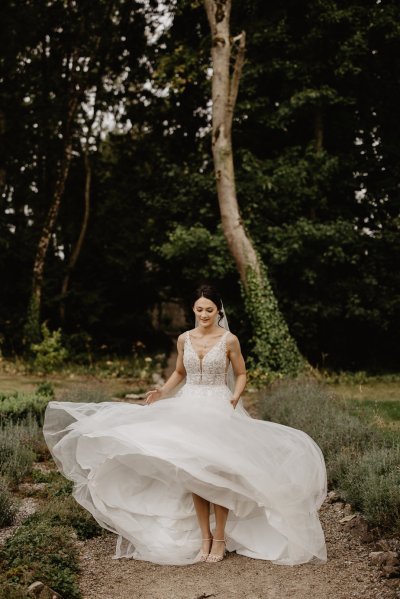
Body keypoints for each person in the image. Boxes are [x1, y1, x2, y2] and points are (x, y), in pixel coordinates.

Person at [43, 285, 327, 566]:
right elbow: (180, 371)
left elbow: (241, 373)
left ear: (219, 311)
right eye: (199, 309)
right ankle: (204, 537)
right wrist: (162, 392)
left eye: (210, 310)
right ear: (194, 309)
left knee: (220, 471)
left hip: (219, 407)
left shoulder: (229, 340)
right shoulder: (184, 339)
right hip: (189, 404)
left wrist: (237, 395)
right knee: (194, 472)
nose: (204, 314)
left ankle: (219, 538)